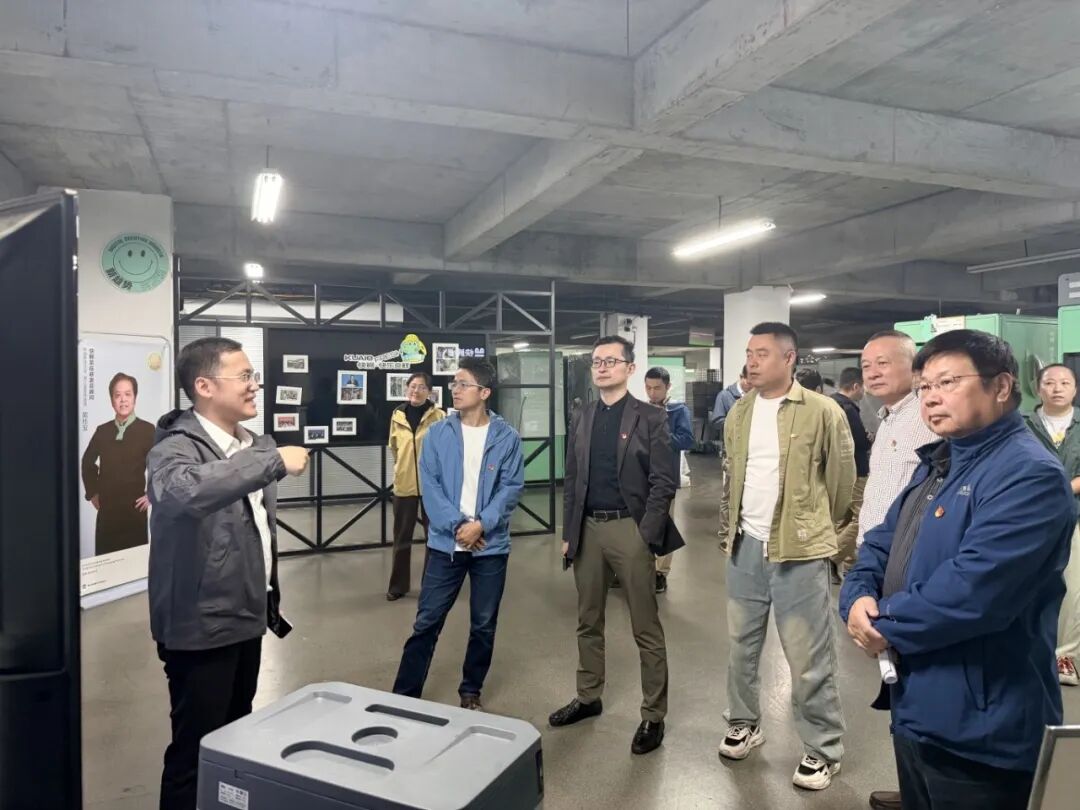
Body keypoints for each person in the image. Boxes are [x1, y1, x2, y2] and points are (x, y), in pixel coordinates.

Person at [840, 330, 1074, 810]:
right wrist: (857, 596)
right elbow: (882, 542)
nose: (931, 397)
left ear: (1001, 386)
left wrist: (880, 624)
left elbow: (973, 593)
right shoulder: (939, 462)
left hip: (982, 724)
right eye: (925, 386)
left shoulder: (1028, 474)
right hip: (918, 704)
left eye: (947, 382)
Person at [147, 337, 310, 810]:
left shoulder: (252, 444)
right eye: (244, 376)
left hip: (246, 617)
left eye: (253, 375)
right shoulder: (175, 448)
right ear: (204, 386)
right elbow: (181, 492)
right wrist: (272, 461)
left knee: (235, 740)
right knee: (195, 752)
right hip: (200, 627)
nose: (255, 385)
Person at [717, 322, 854, 791]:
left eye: (762, 353)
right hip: (745, 545)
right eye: (749, 353)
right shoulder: (740, 410)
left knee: (808, 654)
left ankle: (823, 748)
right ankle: (743, 722)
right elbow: (732, 474)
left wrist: (814, 529)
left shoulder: (822, 411)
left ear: (789, 358)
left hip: (798, 551)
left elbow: (841, 482)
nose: (751, 362)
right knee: (741, 645)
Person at [549, 335, 684, 756]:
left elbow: (664, 481)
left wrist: (646, 533)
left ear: (629, 368)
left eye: (611, 361)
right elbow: (573, 478)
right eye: (596, 361)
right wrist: (570, 532)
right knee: (588, 619)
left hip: (630, 528)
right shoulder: (584, 415)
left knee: (645, 625)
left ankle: (653, 715)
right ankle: (588, 696)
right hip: (588, 529)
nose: (602, 367)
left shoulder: (651, 417)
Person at [392, 358, 524, 711]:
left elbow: (511, 487)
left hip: (490, 547)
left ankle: (470, 691)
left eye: (463, 383)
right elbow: (430, 485)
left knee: (483, 624)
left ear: (484, 392)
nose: (455, 389)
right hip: (444, 545)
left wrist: (481, 525)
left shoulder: (507, 437)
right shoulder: (438, 433)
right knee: (427, 622)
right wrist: (458, 526)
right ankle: (404, 696)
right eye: (454, 383)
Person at [856, 330, 939, 810]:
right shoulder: (890, 417)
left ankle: (923, 789)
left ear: (914, 367)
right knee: (896, 676)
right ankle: (912, 786)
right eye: (867, 364)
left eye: (884, 362)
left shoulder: (925, 419)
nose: (872, 372)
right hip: (882, 560)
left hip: (912, 564)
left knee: (916, 675)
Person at [1025, 363, 1080, 687]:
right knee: (1030, 582)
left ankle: (1065, 657)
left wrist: (1062, 488)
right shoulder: (1022, 426)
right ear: (1038, 388)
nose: (1057, 388)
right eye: (1049, 382)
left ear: (1075, 389)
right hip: (1031, 516)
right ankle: (1028, 650)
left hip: (1075, 515)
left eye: (1065, 383)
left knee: (1073, 587)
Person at [81, 372, 156, 555]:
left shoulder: (147, 430)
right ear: (111, 400)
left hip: (134, 512)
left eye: (128, 394)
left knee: (133, 565)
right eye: (118, 395)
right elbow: (87, 462)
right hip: (108, 512)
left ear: (135, 398)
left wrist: (152, 494)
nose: (123, 400)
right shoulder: (103, 431)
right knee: (106, 564)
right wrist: (93, 492)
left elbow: (160, 464)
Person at [386, 371, 446, 601]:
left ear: (429, 392)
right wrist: (401, 469)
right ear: (407, 388)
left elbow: (446, 450)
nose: (416, 391)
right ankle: (398, 586)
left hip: (432, 487)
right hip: (404, 485)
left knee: (434, 538)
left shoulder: (439, 416)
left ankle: (430, 586)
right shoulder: (397, 415)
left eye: (422, 387)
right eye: (413, 386)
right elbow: (394, 447)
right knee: (402, 538)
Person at [644, 366, 695, 594]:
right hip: (641, 477)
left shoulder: (678, 411)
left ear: (667, 387)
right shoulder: (641, 410)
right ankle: (638, 570)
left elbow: (687, 440)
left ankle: (660, 573)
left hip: (665, 479)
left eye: (657, 388)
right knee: (638, 525)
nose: (652, 392)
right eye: (648, 388)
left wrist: (661, 434)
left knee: (663, 526)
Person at [831, 366, 871, 580]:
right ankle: (831, 557)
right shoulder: (849, 408)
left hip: (837, 472)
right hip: (856, 470)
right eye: (863, 387)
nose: (864, 392)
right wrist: (870, 438)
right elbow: (860, 442)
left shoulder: (829, 404)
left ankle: (848, 566)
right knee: (860, 517)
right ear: (855, 386)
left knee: (843, 520)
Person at [712, 365, 751, 454]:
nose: (752, 387)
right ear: (741, 377)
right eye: (749, 383)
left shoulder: (757, 395)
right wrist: (739, 423)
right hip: (732, 449)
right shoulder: (725, 396)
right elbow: (717, 422)